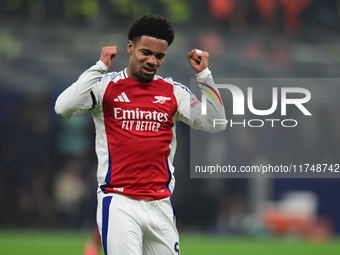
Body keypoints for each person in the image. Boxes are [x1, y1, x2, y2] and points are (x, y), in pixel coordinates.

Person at [55, 14, 226, 255]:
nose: (152, 61)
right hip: (119, 202)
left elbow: (216, 123)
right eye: (145, 52)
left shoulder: (174, 92)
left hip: (160, 206)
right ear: (130, 47)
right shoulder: (105, 87)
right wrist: (99, 67)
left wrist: (204, 75)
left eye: (159, 56)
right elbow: (62, 108)